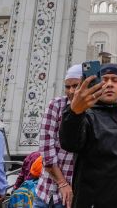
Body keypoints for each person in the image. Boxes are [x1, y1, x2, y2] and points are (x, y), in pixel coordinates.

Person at [60, 63, 117, 207]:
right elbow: (69, 142)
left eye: (115, 80)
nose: (109, 84)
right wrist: (74, 113)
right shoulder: (87, 118)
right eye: (104, 79)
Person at [35, 65, 80, 208]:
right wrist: (62, 183)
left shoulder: (94, 111)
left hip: (75, 197)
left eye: (76, 86)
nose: (71, 91)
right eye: (68, 87)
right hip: (48, 192)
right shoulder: (57, 105)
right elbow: (46, 150)